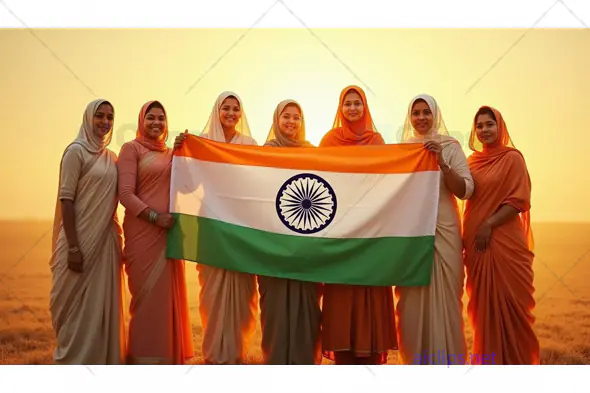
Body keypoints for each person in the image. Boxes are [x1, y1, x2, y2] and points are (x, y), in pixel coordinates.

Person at [174, 91, 258, 364]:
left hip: (241, 228)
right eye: (226, 108)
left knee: (243, 292)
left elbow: (258, 183)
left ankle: (235, 353)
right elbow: (190, 185)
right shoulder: (204, 142)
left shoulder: (250, 144)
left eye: (236, 108)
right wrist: (181, 151)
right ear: (217, 111)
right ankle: (215, 354)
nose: (231, 114)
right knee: (212, 291)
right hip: (210, 225)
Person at [318, 85, 398, 365]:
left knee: (370, 292)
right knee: (341, 294)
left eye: (358, 103)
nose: (352, 108)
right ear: (340, 108)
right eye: (347, 103)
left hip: (371, 232)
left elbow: (387, 181)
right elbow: (319, 180)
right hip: (339, 230)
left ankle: (370, 359)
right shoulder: (329, 141)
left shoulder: (376, 141)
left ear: (365, 108)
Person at [394, 94, 474, 365]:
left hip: (445, 229)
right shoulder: (402, 149)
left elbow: (465, 190)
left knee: (447, 301)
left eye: (426, 112)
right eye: (415, 112)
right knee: (410, 302)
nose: (421, 118)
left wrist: (441, 161)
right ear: (409, 116)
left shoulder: (450, 146)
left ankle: (447, 364)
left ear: (436, 114)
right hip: (412, 232)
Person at [49, 98, 126, 365]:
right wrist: (73, 246)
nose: (105, 122)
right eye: (100, 116)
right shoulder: (75, 152)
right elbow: (66, 200)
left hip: (105, 244)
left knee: (100, 310)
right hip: (77, 243)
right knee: (71, 313)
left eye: (110, 117)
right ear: (88, 118)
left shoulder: (113, 157)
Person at [118, 100, 194, 365]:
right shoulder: (131, 149)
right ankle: (143, 359)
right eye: (150, 118)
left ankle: (168, 358)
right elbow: (125, 194)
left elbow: (185, 188)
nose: (156, 123)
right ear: (141, 121)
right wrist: (154, 217)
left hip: (169, 235)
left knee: (166, 301)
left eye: (161, 118)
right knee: (146, 298)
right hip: (142, 235)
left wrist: (184, 151)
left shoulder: (169, 153)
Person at [462, 105, 539, 365]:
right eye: (479, 126)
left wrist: (489, 224)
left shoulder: (512, 158)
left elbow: (520, 200)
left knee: (513, 310)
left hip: (506, 244)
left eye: (489, 124)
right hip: (477, 248)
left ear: (500, 127)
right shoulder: (471, 162)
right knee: (485, 314)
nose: (484, 130)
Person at [257, 99, 322, 365]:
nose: (291, 122)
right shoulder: (265, 152)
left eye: (297, 117)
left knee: (307, 304)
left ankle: (304, 361)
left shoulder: (312, 152)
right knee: (274, 307)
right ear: (276, 119)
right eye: (286, 116)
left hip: (306, 238)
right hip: (272, 238)